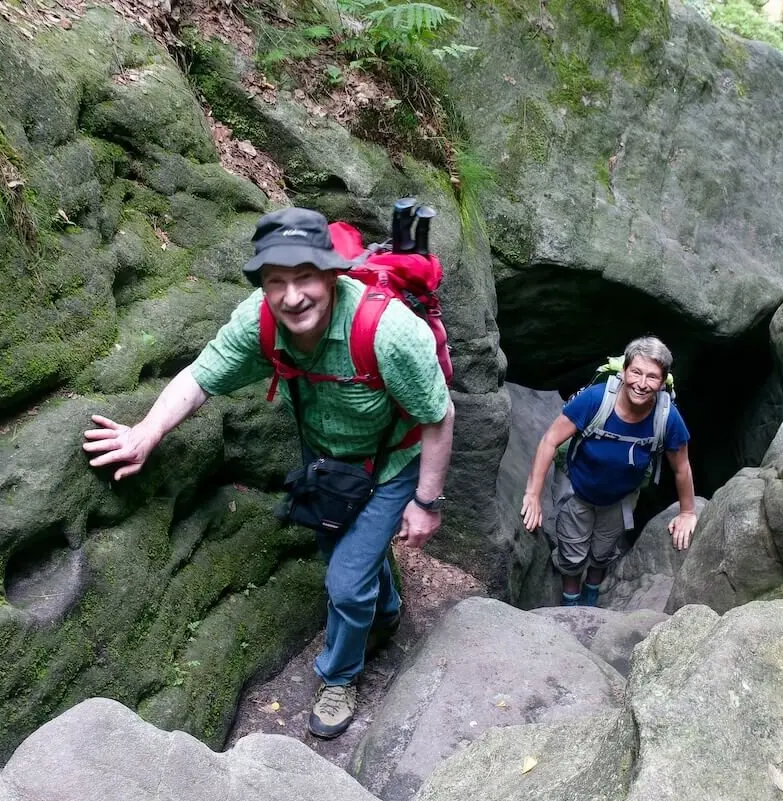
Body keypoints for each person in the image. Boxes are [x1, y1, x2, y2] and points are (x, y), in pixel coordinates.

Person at [82, 207, 454, 739]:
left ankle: (340, 676)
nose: (292, 296)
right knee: (343, 556)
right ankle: (386, 610)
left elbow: (439, 417)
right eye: (276, 282)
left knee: (345, 585)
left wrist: (426, 503)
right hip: (325, 461)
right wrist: (145, 433)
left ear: (332, 274)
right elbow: (202, 376)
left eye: (305, 277)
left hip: (393, 462)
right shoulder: (259, 321)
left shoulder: (388, 332)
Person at [520, 336, 697, 607]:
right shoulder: (596, 400)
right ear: (624, 371)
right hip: (578, 491)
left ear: (662, 383)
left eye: (651, 377)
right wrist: (533, 495)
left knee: (602, 552)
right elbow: (550, 441)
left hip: (620, 499)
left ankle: (591, 595)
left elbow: (681, 467)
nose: (641, 383)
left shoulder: (667, 417)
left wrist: (687, 513)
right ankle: (571, 602)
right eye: (636, 372)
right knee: (572, 552)